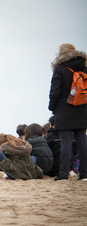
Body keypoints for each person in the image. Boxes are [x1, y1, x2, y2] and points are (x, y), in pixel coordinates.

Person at [49, 43, 87, 181]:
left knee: (66, 143)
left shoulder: (60, 69)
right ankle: (84, 173)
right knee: (82, 142)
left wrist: (52, 107)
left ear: (61, 54)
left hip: (64, 109)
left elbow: (55, 91)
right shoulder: (84, 67)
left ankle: (64, 174)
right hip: (82, 108)